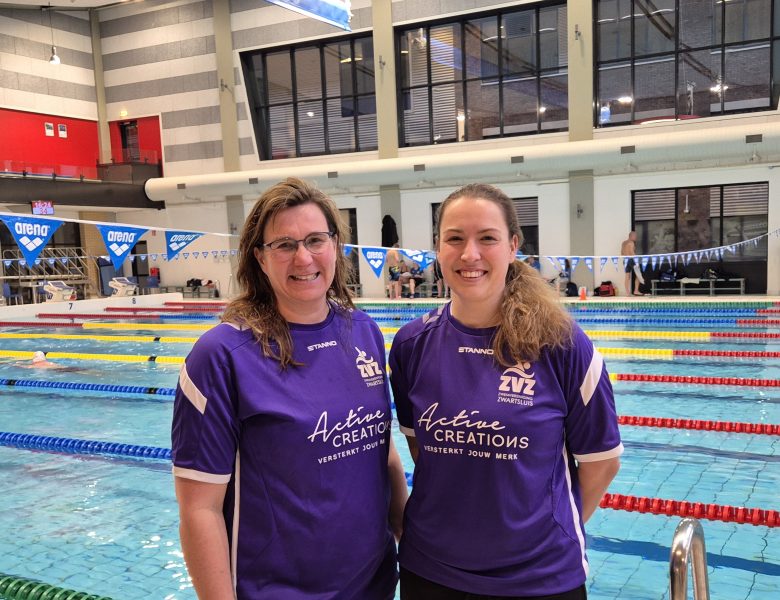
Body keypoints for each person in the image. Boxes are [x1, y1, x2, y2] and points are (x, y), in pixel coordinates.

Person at [172, 177, 407, 599]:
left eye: (316, 239)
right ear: (259, 258)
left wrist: (405, 531)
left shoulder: (364, 331)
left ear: (335, 246)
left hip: (372, 584)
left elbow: (382, 445)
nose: (303, 257)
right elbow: (199, 510)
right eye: (283, 244)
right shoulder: (221, 356)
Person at [389, 183, 623, 600]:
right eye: (455, 239)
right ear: (438, 249)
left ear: (513, 246)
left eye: (487, 239)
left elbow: (601, 463)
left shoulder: (563, 345)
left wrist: (541, 534)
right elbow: (422, 450)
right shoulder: (411, 345)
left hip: (541, 578)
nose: (470, 254)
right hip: (432, 571)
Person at [620, 231, 646, 296]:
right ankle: (636, 291)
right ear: (631, 236)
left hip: (625, 260)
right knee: (638, 275)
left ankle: (627, 293)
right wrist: (637, 260)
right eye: (635, 236)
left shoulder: (623, 243)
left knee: (627, 276)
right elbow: (632, 253)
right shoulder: (631, 243)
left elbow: (622, 253)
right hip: (632, 260)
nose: (636, 238)